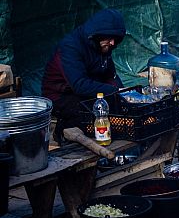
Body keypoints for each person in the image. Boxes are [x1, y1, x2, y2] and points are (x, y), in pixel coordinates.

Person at [41, 9, 126, 143]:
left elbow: (111, 76)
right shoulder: (70, 47)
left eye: (115, 39)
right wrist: (115, 91)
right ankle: (62, 132)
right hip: (61, 95)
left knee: (118, 107)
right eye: (109, 38)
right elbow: (79, 85)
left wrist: (123, 95)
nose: (113, 43)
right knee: (90, 114)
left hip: (89, 91)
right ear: (97, 34)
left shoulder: (103, 46)